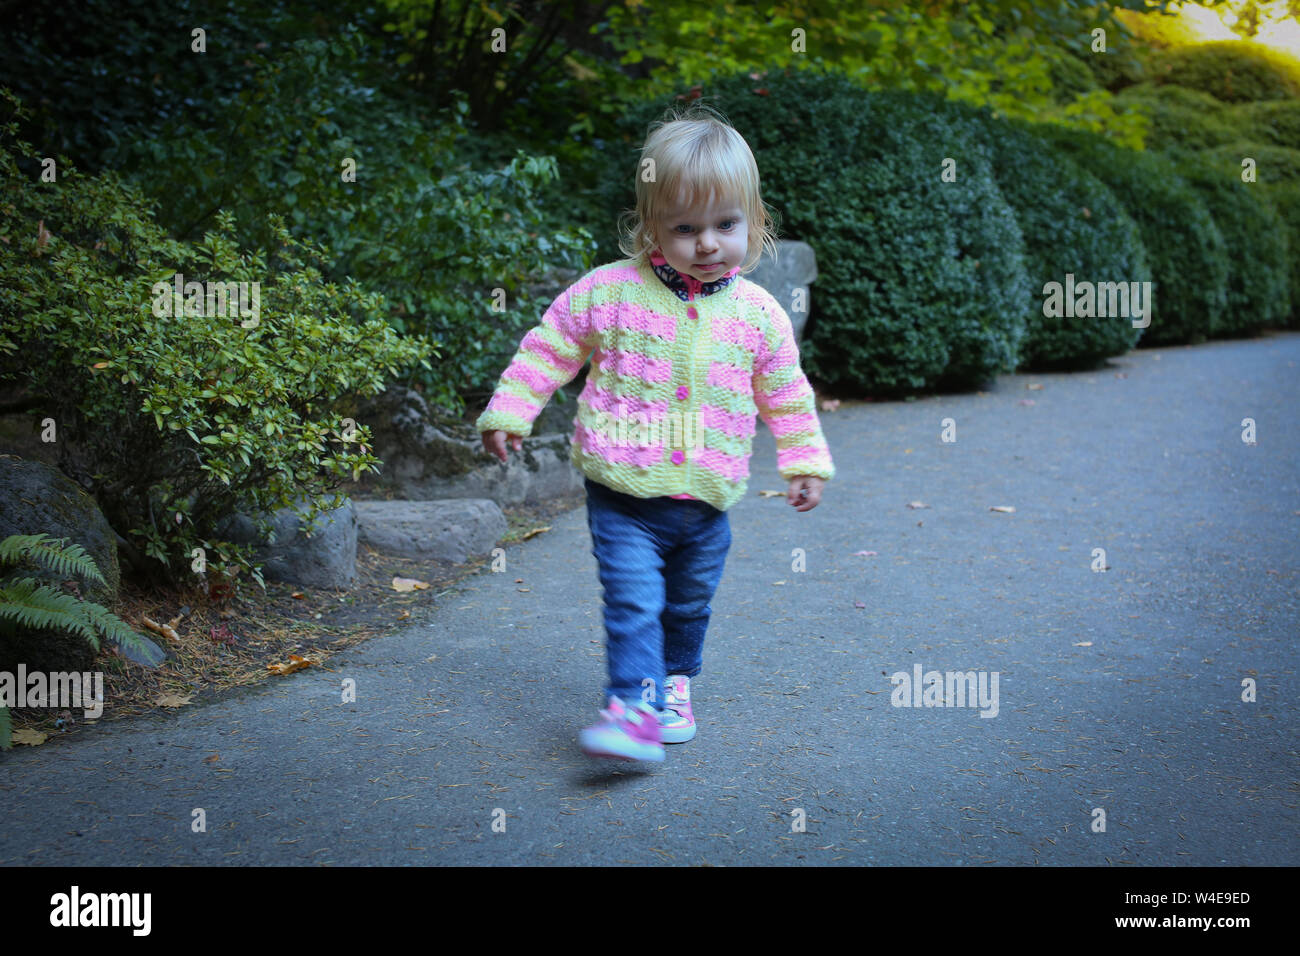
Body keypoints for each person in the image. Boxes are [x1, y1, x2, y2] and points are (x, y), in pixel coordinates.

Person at [476, 102, 835, 763]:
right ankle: (634, 708)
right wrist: (511, 409)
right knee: (635, 600)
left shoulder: (758, 315)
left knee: (688, 606)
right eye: (684, 227)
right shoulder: (609, 293)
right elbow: (549, 346)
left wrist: (804, 459)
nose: (706, 243)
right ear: (650, 229)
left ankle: (674, 682)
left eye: (725, 224)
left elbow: (785, 394)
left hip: (706, 499)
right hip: (623, 495)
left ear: (753, 224)